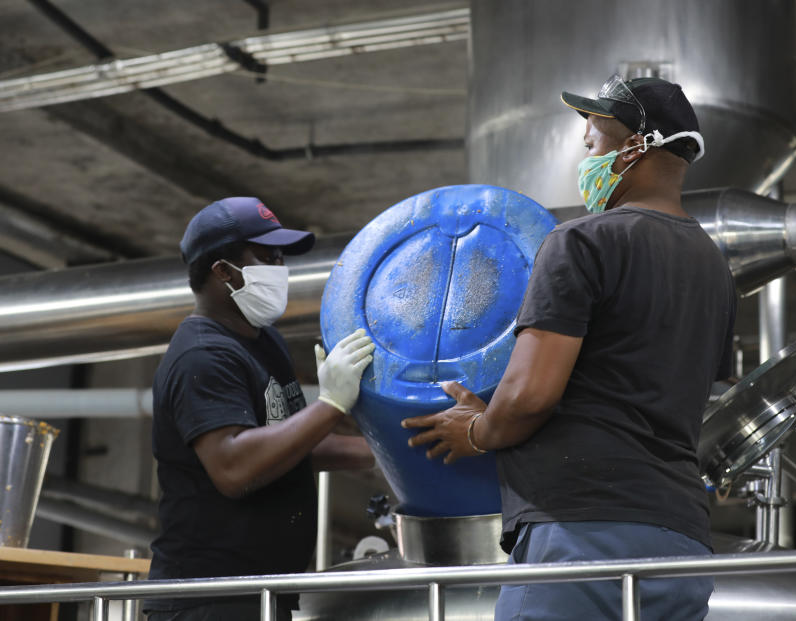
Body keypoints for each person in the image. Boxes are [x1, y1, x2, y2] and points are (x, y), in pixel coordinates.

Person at [402, 75, 736, 621]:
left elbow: (531, 396)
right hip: (680, 541)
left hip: (584, 536)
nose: (585, 145)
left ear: (636, 145)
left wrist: (477, 430)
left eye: (596, 135)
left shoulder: (583, 241)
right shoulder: (713, 266)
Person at [144, 197, 376, 621]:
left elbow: (286, 448)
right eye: (267, 257)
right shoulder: (201, 355)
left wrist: (383, 453)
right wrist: (330, 404)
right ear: (223, 272)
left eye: (281, 257)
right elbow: (235, 468)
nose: (280, 269)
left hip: (264, 594)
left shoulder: (264, 342)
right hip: (209, 600)